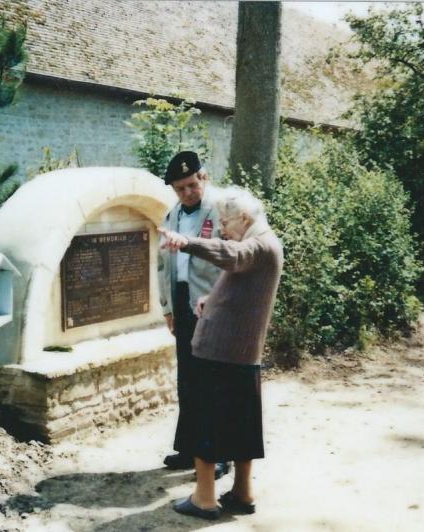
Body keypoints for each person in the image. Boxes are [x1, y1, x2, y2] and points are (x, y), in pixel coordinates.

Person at [158, 186, 283, 521]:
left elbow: (232, 256)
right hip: (242, 352)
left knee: (206, 422)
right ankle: (242, 492)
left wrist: (187, 242)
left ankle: (204, 499)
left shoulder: (257, 244)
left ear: (244, 218)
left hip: (220, 351)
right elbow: (241, 285)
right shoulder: (264, 243)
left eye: (226, 222)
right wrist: (209, 301)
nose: (223, 228)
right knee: (242, 425)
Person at [157, 151, 230, 480]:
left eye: (191, 184)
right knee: (188, 380)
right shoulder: (172, 215)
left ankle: (218, 453)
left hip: (213, 304)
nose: (187, 192)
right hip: (183, 302)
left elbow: (233, 260)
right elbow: (163, 265)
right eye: (179, 188)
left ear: (204, 177)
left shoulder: (223, 211)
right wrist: (168, 308)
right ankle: (189, 448)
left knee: (214, 381)